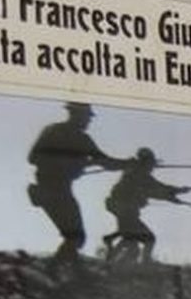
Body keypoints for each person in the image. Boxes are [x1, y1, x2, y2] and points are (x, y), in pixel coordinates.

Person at [26, 101, 122, 260]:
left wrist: (128, 164)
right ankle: (56, 272)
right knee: (75, 237)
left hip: (62, 191)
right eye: (87, 118)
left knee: (76, 238)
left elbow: (105, 162)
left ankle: (59, 272)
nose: (88, 122)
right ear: (76, 115)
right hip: (49, 191)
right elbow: (33, 158)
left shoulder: (84, 139)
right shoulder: (53, 131)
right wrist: (72, 163)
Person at [101, 148, 191, 265]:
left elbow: (158, 190)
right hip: (125, 211)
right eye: (151, 164)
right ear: (146, 163)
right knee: (146, 240)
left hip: (124, 211)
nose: (153, 167)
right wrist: (179, 193)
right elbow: (158, 190)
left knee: (130, 240)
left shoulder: (134, 173)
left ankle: (110, 257)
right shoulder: (138, 175)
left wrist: (179, 194)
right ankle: (140, 264)